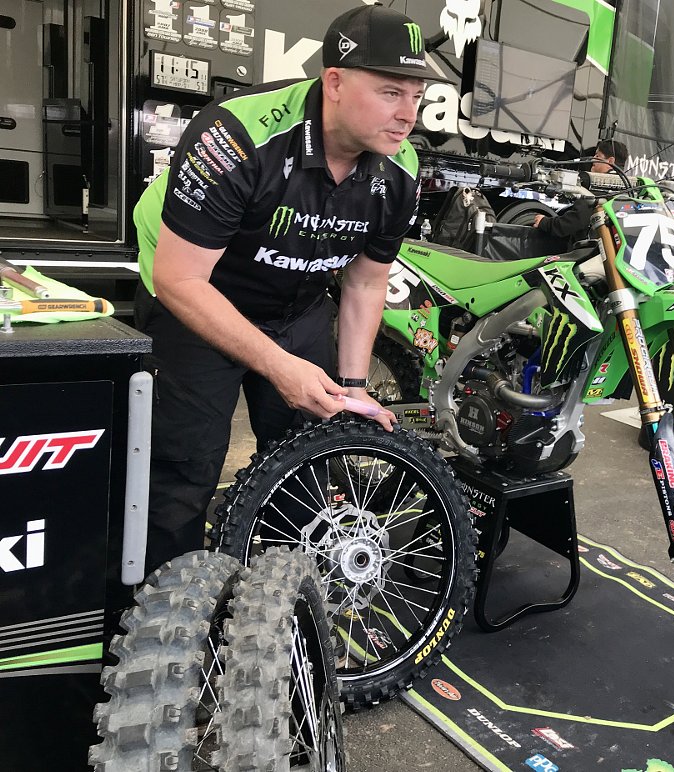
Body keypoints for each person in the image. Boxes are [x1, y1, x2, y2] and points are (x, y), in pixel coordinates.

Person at [132, 3, 445, 574]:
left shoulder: (399, 168)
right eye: (391, 92)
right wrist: (278, 367)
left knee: (308, 459)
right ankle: (165, 621)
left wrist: (352, 389)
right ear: (335, 82)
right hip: (196, 297)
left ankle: (284, 601)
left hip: (296, 301)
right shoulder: (234, 135)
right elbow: (178, 280)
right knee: (182, 471)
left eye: (417, 96)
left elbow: (367, 281)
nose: (409, 115)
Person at [531, 139, 630, 240]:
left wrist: (545, 222)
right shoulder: (629, 189)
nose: (593, 159)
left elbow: (575, 221)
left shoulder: (598, 188)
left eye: (597, 156)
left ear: (610, 161)